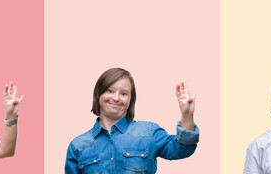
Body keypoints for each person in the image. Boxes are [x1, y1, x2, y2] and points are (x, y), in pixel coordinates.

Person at [65, 68, 199, 174]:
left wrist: (186, 115)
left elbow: (182, 149)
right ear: (98, 95)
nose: (116, 98)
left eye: (123, 93)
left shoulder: (149, 132)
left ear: (130, 100)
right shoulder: (78, 146)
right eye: (110, 91)